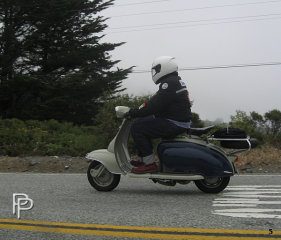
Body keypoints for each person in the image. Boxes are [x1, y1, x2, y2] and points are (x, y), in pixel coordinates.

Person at [127, 56, 192, 173]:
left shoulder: (168, 83)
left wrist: (134, 113)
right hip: (177, 120)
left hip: (174, 122)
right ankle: (143, 160)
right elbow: (153, 101)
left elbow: (154, 105)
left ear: (164, 68)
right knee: (141, 123)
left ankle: (149, 164)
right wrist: (138, 109)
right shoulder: (173, 81)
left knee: (137, 128)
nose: (155, 73)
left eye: (156, 69)